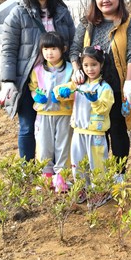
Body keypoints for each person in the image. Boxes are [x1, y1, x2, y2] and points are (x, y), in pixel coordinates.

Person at [69, 0, 131, 180]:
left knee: (117, 129)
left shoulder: (130, 22)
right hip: (91, 89)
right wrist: (76, 69)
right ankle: (98, 173)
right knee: (95, 132)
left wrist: (130, 82)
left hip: (117, 87)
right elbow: (74, 49)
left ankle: (119, 174)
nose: (105, 0)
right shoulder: (87, 23)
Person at [0, 0, 75, 161]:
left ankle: (56, 169)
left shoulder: (62, 13)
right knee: (27, 126)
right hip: (28, 79)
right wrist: (7, 80)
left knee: (58, 125)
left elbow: (73, 43)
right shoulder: (18, 14)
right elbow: (9, 49)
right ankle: (27, 168)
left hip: (58, 78)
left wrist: (76, 68)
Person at [54, 46, 115, 207]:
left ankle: (101, 192)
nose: (90, 69)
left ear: (101, 64)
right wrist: (66, 90)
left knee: (97, 164)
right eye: (86, 65)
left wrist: (94, 100)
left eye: (93, 65)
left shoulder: (105, 88)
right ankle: (82, 189)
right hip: (78, 131)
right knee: (78, 163)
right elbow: (58, 93)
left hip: (96, 133)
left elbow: (104, 109)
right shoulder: (79, 84)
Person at [29, 32, 74, 190]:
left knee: (63, 146)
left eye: (53, 48)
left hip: (64, 114)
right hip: (44, 115)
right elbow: (33, 88)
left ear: (63, 49)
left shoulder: (70, 69)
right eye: (46, 49)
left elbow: (75, 89)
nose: (49, 52)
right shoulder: (38, 70)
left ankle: (61, 179)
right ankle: (46, 177)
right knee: (43, 145)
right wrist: (36, 97)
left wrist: (66, 95)